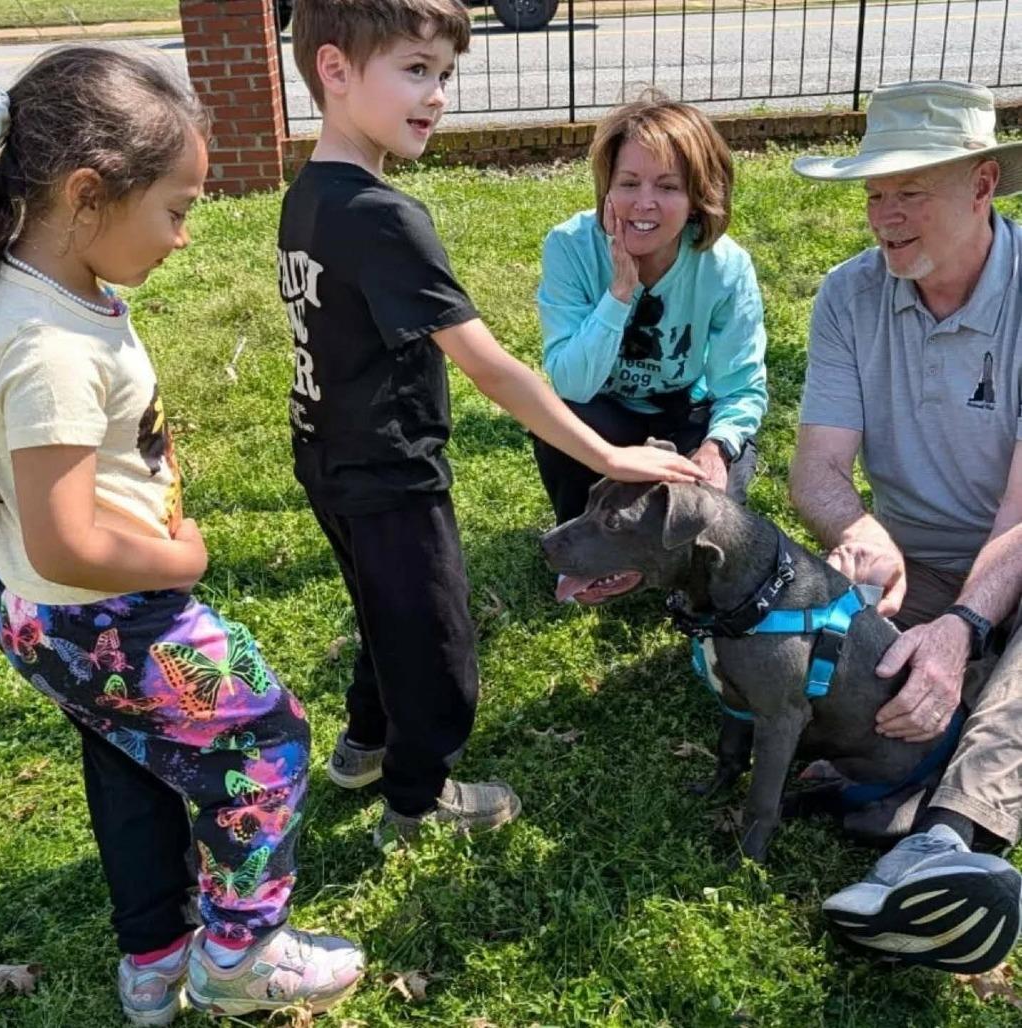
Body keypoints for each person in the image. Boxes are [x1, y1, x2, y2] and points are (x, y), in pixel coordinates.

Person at [0, 47, 364, 1025]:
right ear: (87, 195)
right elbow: (68, 534)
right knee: (266, 732)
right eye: (175, 208)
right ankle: (240, 952)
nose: (187, 238)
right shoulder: (51, 350)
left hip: (45, 611)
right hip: (108, 607)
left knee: (134, 757)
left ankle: (153, 958)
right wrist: (180, 558)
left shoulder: (32, 293)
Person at [279, 0, 703, 846]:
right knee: (437, 647)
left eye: (444, 76)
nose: (437, 97)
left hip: (326, 458)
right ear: (334, 69)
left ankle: (364, 743)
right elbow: (491, 366)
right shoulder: (385, 217)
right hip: (392, 474)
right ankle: (415, 797)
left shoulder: (307, 196)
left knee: (381, 612)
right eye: (414, 70)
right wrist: (605, 451)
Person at [790, 79, 1022, 974]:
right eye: (874, 192)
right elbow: (815, 469)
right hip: (907, 562)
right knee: (789, 648)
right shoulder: (848, 296)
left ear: (983, 183)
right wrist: (858, 527)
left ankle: (942, 840)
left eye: (910, 190)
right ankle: (926, 767)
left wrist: (962, 627)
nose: (884, 216)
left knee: (951, 667)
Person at [533, 94, 767, 536]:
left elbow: (740, 387)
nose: (644, 203)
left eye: (667, 186)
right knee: (560, 421)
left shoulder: (725, 266)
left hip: (685, 413)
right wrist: (620, 291)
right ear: (607, 188)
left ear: (698, 198)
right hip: (603, 409)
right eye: (628, 183)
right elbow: (572, 384)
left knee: (715, 517)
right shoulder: (569, 247)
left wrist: (715, 451)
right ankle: (582, 537)